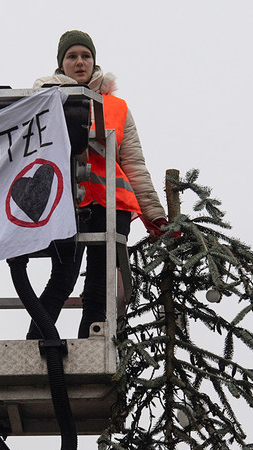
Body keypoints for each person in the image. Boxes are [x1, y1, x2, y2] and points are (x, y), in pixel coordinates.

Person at [27, 30, 169, 340]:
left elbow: (134, 164)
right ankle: (35, 347)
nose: (80, 62)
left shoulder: (117, 106)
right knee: (62, 278)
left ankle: (90, 346)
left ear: (94, 61)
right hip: (66, 202)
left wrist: (154, 215)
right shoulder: (42, 98)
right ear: (61, 64)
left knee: (101, 284)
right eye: (72, 56)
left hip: (112, 202)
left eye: (86, 56)